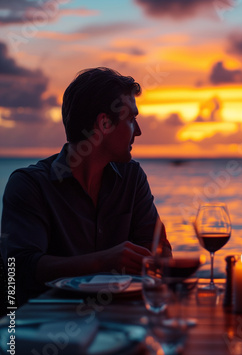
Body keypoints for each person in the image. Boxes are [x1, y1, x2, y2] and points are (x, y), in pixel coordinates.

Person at [1, 67, 172, 304]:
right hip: (44, 323)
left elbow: (157, 251)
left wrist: (149, 256)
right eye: (132, 119)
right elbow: (19, 269)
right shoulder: (30, 185)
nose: (139, 131)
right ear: (104, 123)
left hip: (121, 316)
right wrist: (104, 261)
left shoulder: (132, 179)